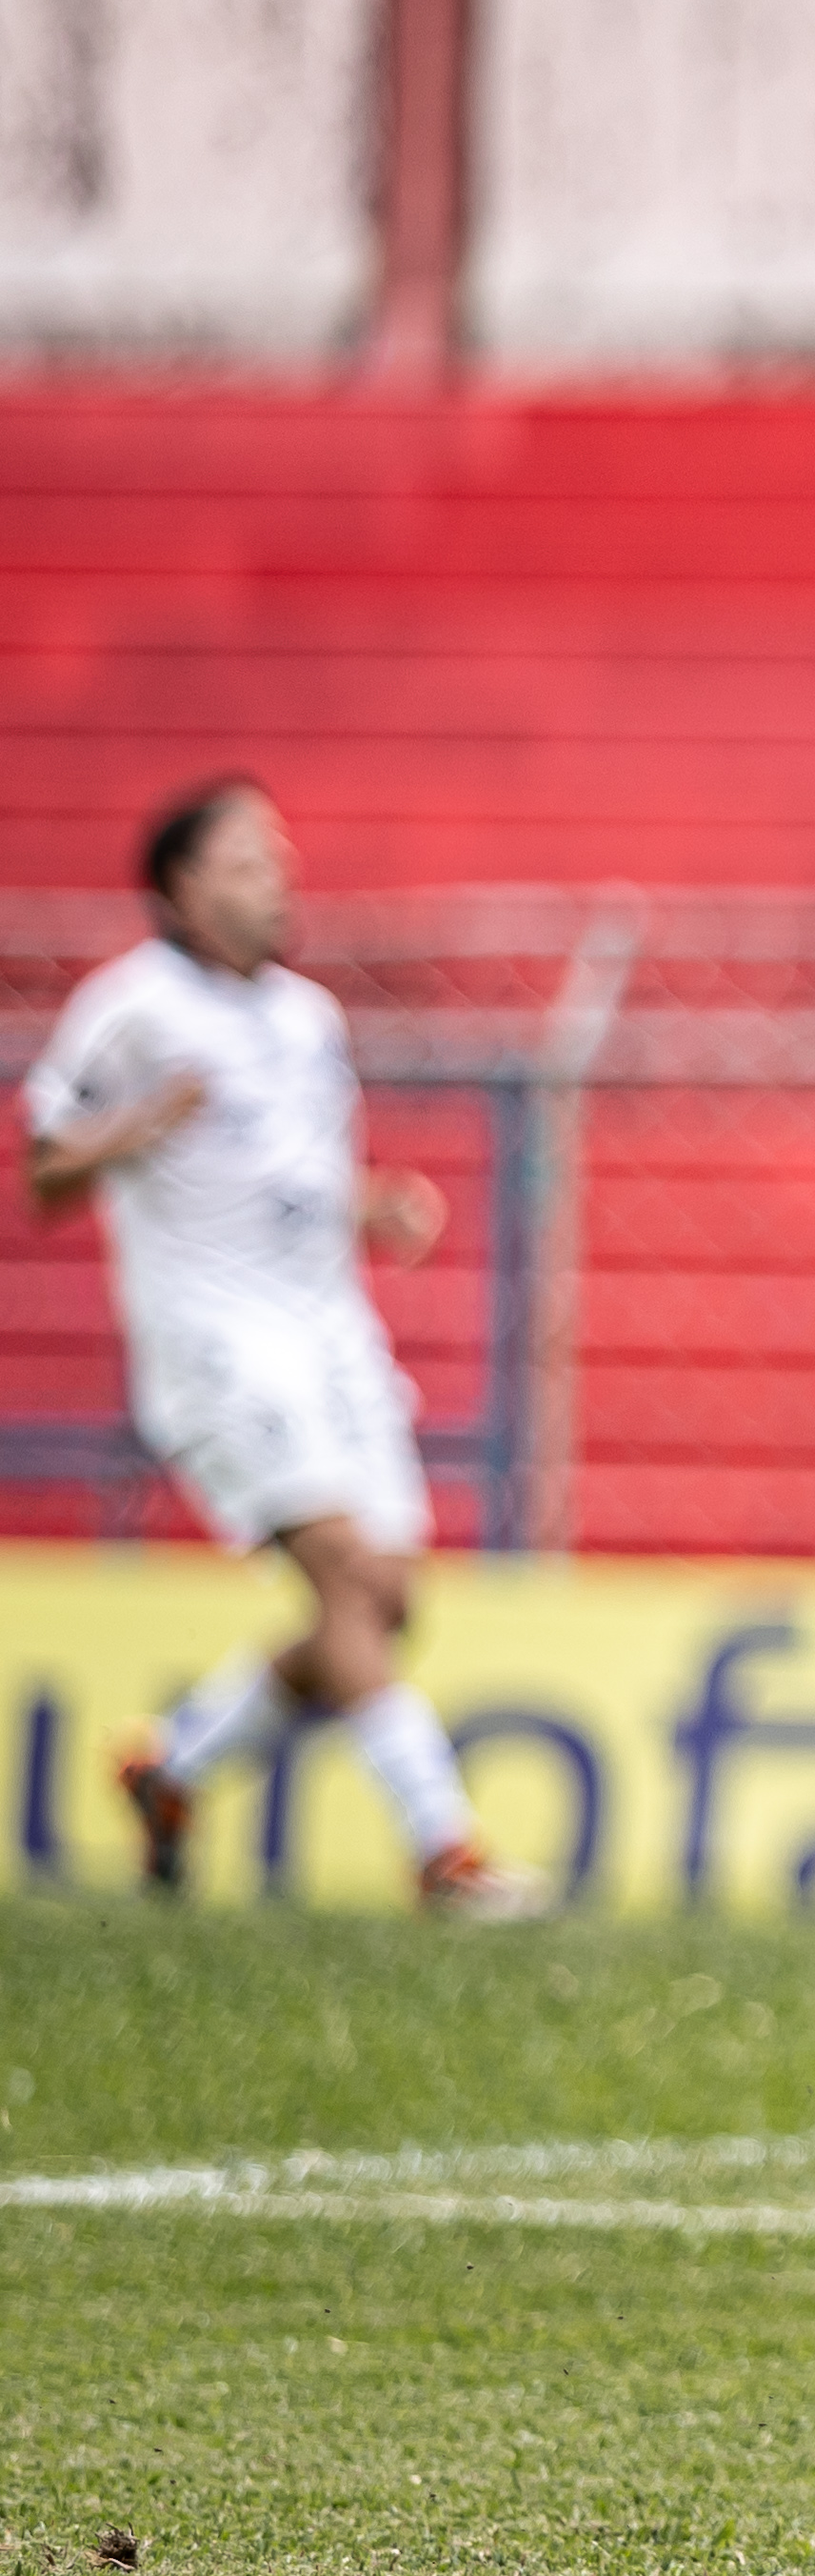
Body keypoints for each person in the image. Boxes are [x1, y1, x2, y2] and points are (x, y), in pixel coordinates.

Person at [25, 779, 538, 1918]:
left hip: (328, 1330)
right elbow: (46, 1167)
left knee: (386, 1599)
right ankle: (444, 1849)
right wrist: (138, 1125)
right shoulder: (133, 1006)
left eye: (282, 856)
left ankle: (174, 1766)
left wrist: (371, 1208)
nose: (279, 877)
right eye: (250, 859)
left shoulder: (310, 1017)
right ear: (181, 887)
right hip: (215, 1338)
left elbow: (279, 1177)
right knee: (349, 1575)